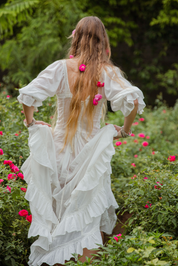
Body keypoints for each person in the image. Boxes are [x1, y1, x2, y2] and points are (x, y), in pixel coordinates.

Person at [17, 16, 146, 266]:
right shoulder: (107, 72)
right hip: (89, 155)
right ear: (103, 41)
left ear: (75, 37)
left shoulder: (60, 67)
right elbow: (134, 101)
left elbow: (28, 95)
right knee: (87, 219)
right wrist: (125, 131)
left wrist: (31, 122)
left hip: (57, 152)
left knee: (56, 219)